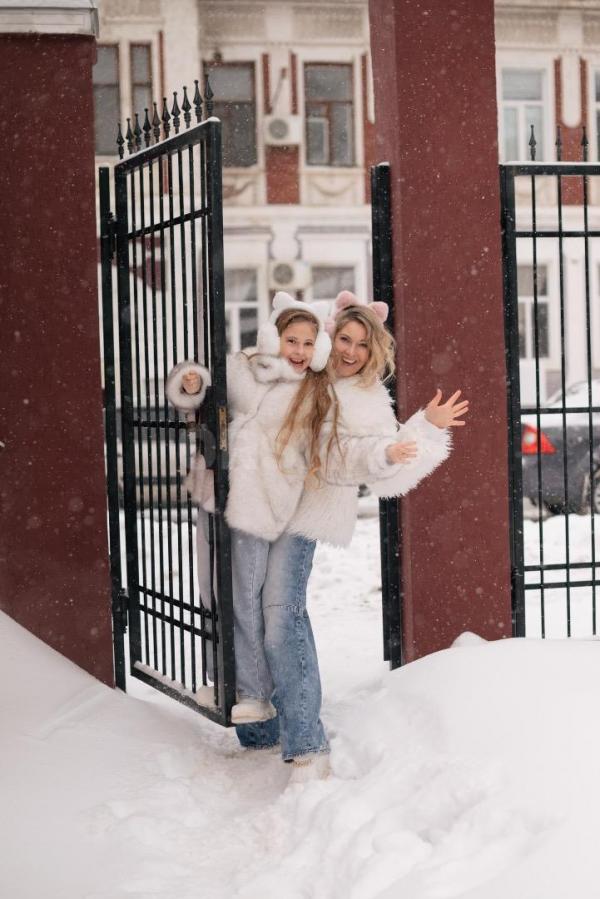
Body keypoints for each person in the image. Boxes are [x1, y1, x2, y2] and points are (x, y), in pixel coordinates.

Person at [234, 295, 468, 777]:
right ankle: (258, 727)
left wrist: (421, 430)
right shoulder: (303, 366)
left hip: (303, 515)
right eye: (344, 339)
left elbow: (369, 452)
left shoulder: (366, 396)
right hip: (261, 502)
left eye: (363, 344)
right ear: (330, 336)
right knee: (246, 606)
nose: (351, 352)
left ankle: (306, 742)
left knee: (281, 616)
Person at [166, 292, 335, 735]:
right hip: (215, 494)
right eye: (291, 340)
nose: (298, 351)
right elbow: (203, 403)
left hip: (259, 504)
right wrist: (191, 385)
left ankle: (254, 692)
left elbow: (319, 446)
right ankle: (224, 681)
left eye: (308, 343)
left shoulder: (313, 390)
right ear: (273, 338)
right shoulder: (243, 368)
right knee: (213, 593)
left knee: (247, 597)